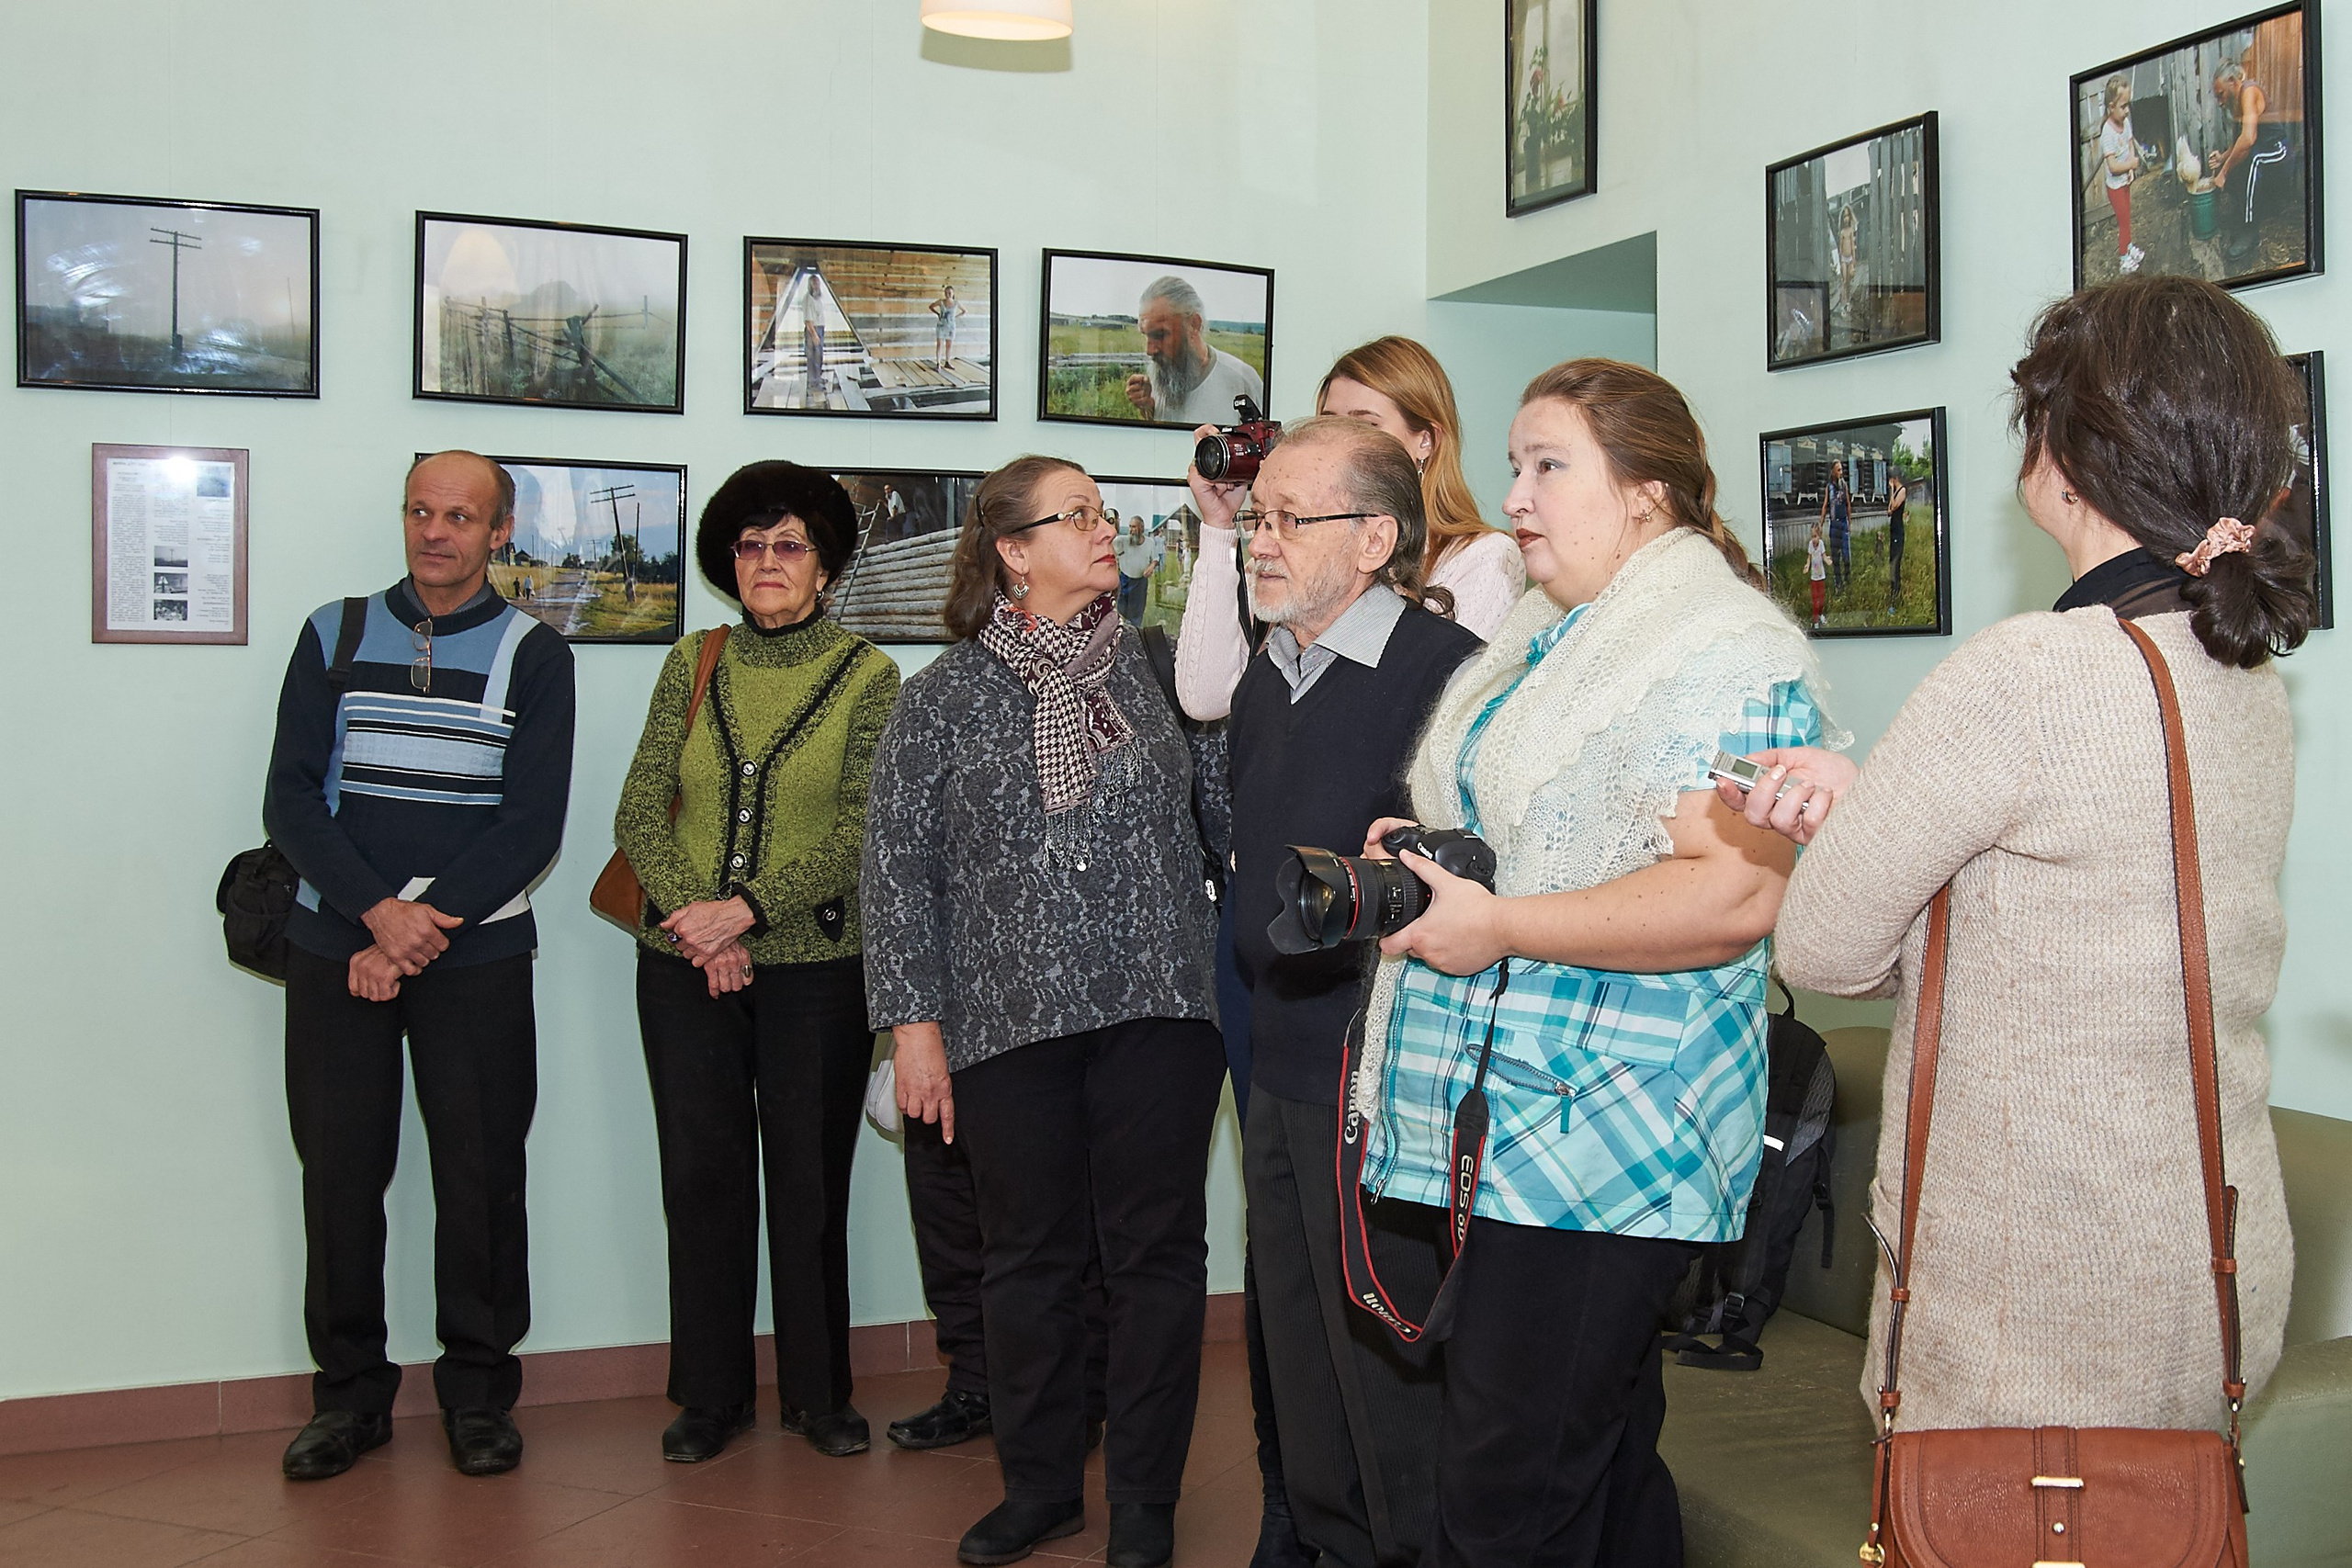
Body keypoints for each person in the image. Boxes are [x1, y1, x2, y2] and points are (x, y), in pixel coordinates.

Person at [1729, 276, 2311, 1449]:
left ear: (2066, 453)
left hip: (2041, 1290)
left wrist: (1864, 828)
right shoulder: (2243, 679)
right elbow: (2086, 926)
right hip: (2211, 1260)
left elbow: (1826, 949)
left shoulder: (2029, 671)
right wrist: (1898, 816)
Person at [1351, 360, 1836, 1565]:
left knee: (1511, 1497)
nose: (1514, 494)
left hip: (1612, 1136)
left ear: (1646, 494)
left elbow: (1730, 892)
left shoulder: (1720, 649)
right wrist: (1424, 855)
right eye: (1514, 464)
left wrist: (1502, 922)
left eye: (1547, 465)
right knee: (1599, 1468)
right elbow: (1533, 838)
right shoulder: (1544, 632)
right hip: (1518, 1127)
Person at [861, 457, 1226, 1568]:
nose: (1103, 529)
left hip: (1159, 1005)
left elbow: (1224, 819)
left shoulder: (1165, 670)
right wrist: (913, 1026)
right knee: (1025, 1262)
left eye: (1103, 513)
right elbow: (896, 870)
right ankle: (1040, 1486)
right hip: (1004, 1020)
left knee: (1155, 1259)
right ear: (1013, 552)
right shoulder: (940, 698)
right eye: (1077, 516)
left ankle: (1148, 1502)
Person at [264, 451, 577, 1482]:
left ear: (499, 532)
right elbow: (292, 801)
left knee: (482, 1176)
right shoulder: (334, 632)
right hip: (336, 946)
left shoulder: (537, 654)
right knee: (342, 1176)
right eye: (419, 511)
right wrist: (373, 917)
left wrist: (420, 925)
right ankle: (348, 1400)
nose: (434, 531)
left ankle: (479, 1396)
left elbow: (531, 822)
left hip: (477, 953)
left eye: (459, 515)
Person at [1226, 417, 1483, 1568]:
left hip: (1378, 1070)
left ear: (1376, 536)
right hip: (1272, 1056)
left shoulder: (1449, 678)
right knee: (1299, 1366)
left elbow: (1461, 885)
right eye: (1255, 516)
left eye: (1290, 518)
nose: (1257, 540)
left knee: (1384, 1374)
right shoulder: (1264, 677)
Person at [613, 462, 901, 1463]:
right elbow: (641, 807)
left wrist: (745, 912)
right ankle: (710, 1395)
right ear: (728, 565)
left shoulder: (871, 676)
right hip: (681, 965)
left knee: (810, 1184)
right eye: (748, 546)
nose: (766, 563)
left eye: (788, 545)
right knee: (700, 1180)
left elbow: (865, 834)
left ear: (822, 565)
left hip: (817, 972)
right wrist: (700, 923)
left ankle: (820, 1396)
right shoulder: (692, 660)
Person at [1176, 336, 1523, 719]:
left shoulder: (1485, 557)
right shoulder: (1295, 542)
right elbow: (1206, 700)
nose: (1341, 443)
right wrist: (1220, 524)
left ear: (1425, 440)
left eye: (1366, 426)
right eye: (1328, 425)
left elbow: (1430, 714)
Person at [1125, 275, 1264, 425]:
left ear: (1193, 324)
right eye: (1146, 335)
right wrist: (1149, 408)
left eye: (1160, 335)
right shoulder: (1159, 377)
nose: (1150, 350)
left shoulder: (1241, 380)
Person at [2211, 60, 2301, 266]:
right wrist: (2223, 158)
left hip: (2279, 150)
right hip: (2262, 149)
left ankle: (2250, 230)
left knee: (2253, 162)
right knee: (2240, 163)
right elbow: (2240, 143)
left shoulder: (2249, 91)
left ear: (2233, 82)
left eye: (2221, 94)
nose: (2219, 102)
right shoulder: (2236, 103)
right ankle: (2241, 213)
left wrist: (2223, 172)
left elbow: (2249, 139)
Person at [2098, 75, 2146, 275]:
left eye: (2128, 105)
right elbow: (2112, 167)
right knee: (2124, 221)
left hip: (2125, 181)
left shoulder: (2125, 123)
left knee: (2128, 217)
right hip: (2115, 187)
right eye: (2123, 106)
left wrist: (2131, 169)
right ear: (2111, 106)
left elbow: (2129, 143)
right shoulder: (2107, 134)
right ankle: (2123, 259)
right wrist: (2129, 165)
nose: (2127, 111)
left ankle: (2129, 246)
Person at [1115, 515, 1163, 625]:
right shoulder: (1122, 541)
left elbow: (1156, 558)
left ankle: (1135, 633)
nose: (1131, 530)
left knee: (1137, 614)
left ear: (1141, 528)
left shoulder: (1150, 543)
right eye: (1130, 527)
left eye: (1134, 527)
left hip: (1140, 582)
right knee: (1121, 612)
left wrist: (1151, 567)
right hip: (1124, 580)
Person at [1819, 457, 1852, 593]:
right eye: (1838, 470)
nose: (1841, 472)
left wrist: (1850, 522)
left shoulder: (1844, 485)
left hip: (1843, 523)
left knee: (1846, 554)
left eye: (1842, 470)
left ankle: (1848, 579)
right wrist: (1820, 524)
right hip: (1834, 524)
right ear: (1833, 472)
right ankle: (1838, 583)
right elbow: (1825, 506)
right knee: (1835, 555)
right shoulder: (1829, 487)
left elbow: (1848, 504)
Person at [1883, 468, 1910, 610]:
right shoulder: (1895, 493)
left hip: (1898, 532)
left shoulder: (1902, 491)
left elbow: (1894, 506)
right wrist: (1891, 498)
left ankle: (1896, 598)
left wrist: (1892, 491)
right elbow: (1889, 510)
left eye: (1891, 480)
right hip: (1893, 531)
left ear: (1894, 479)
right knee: (1891, 563)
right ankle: (1893, 595)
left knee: (1895, 565)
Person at [932, 284, 965, 369]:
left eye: (949, 293)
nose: (947, 294)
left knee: (949, 345)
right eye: (946, 293)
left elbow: (964, 311)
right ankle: (938, 363)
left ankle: (947, 362)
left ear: (953, 293)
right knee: (939, 344)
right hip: (941, 326)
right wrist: (938, 314)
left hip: (951, 326)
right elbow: (931, 306)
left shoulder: (956, 303)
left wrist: (955, 317)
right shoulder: (941, 302)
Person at [1807, 519, 1829, 628]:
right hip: (1813, 577)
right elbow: (1809, 557)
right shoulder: (1811, 545)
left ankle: (1820, 614)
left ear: (1819, 535)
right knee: (1815, 599)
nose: (1814, 539)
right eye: (1812, 536)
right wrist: (1807, 566)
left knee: (1821, 598)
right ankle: (1815, 620)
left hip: (1821, 576)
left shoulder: (1821, 544)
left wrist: (1827, 560)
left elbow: (1824, 555)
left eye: (1815, 536)